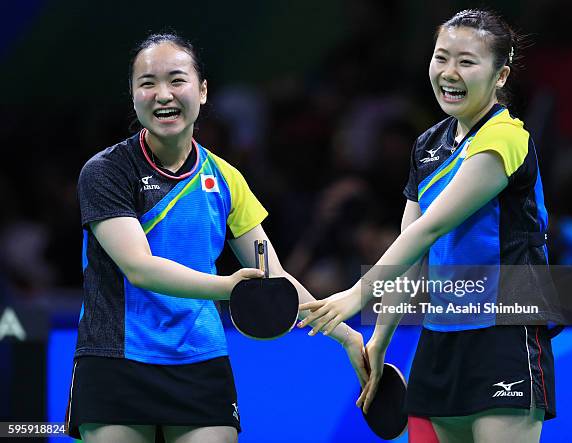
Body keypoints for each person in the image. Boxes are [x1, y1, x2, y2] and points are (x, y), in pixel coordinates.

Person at [65, 33, 367, 443]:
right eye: (147, 83)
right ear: (133, 96)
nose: (162, 95)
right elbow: (139, 268)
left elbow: (273, 278)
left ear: (202, 91)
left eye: (177, 80)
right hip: (117, 358)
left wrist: (348, 336)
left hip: (199, 361)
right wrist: (227, 288)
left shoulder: (225, 178)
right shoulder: (106, 172)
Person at [299, 10, 559, 443]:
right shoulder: (428, 145)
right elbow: (412, 249)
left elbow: (430, 229)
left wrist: (358, 293)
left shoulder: (507, 137)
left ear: (501, 75)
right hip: (438, 345)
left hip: (504, 338)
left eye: (467, 61)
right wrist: (380, 337)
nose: (449, 72)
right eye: (442, 57)